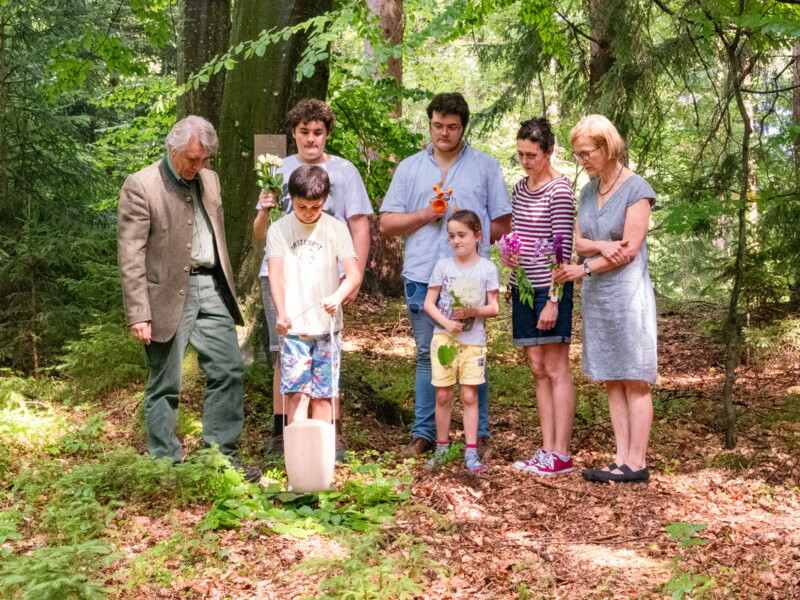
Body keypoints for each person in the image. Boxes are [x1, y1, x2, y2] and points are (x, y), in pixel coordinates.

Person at [118, 115, 262, 482]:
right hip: (165, 294)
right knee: (166, 381)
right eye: (191, 159)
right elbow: (130, 253)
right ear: (172, 147)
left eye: (204, 160)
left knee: (229, 370)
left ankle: (220, 461)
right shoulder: (141, 185)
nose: (198, 167)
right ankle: (165, 467)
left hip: (211, 286)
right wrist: (139, 312)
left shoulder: (210, 179)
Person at [380, 92, 512, 458]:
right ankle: (423, 434)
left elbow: (502, 220)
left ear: (463, 127)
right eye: (438, 125)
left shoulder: (485, 166)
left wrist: (474, 247)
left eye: (452, 127)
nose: (444, 133)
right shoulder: (409, 168)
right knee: (428, 354)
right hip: (423, 273)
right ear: (430, 123)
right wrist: (427, 214)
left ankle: (478, 436)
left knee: (472, 352)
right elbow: (387, 224)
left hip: (469, 277)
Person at [253, 99, 373, 457]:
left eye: (317, 132)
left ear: (326, 134)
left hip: (329, 278)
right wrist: (264, 208)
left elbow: (359, 224)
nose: (310, 139)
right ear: (293, 133)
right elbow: (261, 233)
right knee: (285, 354)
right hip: (282, 276)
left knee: (327, 352)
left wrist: (356, 276)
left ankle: (328, 437)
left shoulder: (344, 171)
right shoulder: (277, 168)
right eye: (304, 132)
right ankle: (283, 434)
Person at [553, 114, 657, 484]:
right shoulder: (587, 191)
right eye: (578, 154)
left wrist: (584, 269)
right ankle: (620, 459)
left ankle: (637, 461)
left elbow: (629, 249)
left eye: (586, 153)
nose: (582, 161)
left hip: (628, 296)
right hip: (598, 297)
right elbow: (579, 242)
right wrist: (599, 247)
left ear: (607, 147)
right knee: (612, 377)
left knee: (635, 377)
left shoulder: (637, 189)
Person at [501, 118, 577, 476]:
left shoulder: (560, 191)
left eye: (532, 155)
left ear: (548, 151)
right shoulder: (519, 189)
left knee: (555, 368)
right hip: (523, 288)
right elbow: (517, 236)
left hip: (550, 289)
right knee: (536, 368)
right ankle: (546, 449)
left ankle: (561, 452)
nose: (526, 161)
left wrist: (554, 300)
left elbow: (563, 252)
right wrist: (509, 256)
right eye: (520, 155)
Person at [266, 165, 362, 425]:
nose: (308, 214)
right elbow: (274, 274)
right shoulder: (279, 229)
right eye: (301, 207)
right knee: (299, 393)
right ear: (292, 200)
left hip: (327, 329)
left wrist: (337, 296)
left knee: (324, 395)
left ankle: (322, 456)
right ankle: (299, 457)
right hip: (294, 329)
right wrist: (282, 314)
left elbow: (354, 274)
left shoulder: (336, 229)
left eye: (315, 207)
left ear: (324, 201)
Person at [423, 211, 499, 473]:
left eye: (462, 235)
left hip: (473, 342)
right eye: (452, 236)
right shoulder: (443, 266)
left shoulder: (487, 268)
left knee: (469, 395)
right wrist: (445, 323)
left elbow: (494, 308)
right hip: (443, 340)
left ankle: (470, 452)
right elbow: (428, 303)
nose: (456, 241)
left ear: (477, 236)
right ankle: (442, 448)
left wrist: (472, 312)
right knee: (443, 394)